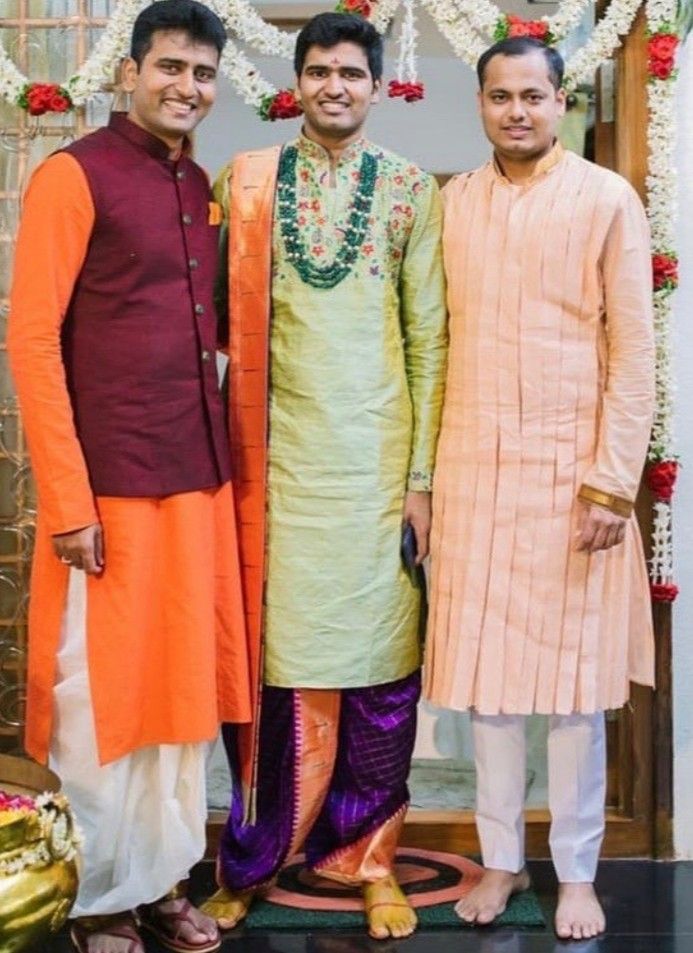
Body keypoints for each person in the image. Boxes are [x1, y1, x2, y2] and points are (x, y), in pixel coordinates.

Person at [7, 3, 252, 952]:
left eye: (201, 72)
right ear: (130, 73)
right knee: (101, 695)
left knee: (180, 693)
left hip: (194, 481)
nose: (186, 86)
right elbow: (31, 342)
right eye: (170, 67)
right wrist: (67, 502)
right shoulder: (74, 175)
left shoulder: (195, 185)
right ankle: (98, 893)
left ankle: (161, 880)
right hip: (106, 492)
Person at [200, 12, 448, 942]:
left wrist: (420, 479)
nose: (334, 86)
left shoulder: (411, 190)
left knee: (383, 673)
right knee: (274, 676)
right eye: (317, 71)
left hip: (379, 470)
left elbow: (430, 338)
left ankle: (369, 859)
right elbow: (209, 328)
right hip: (277, 472)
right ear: (295, 82)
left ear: (377, 85)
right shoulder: (248, 183)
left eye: (350, 72)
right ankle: (253, 860)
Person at [424, 37, 655, 942]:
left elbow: (632, 353)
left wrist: (609, 483)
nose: (515, 110)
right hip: (474, 471)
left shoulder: (605, 199)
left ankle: (577, 873)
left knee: (569, 696)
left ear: (558, 102)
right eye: (498, 96)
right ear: (479, 104)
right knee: (486, 692)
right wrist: (427, 485)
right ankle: (499, 859)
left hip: (572, 480)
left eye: (532, 95)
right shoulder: (455, 204)